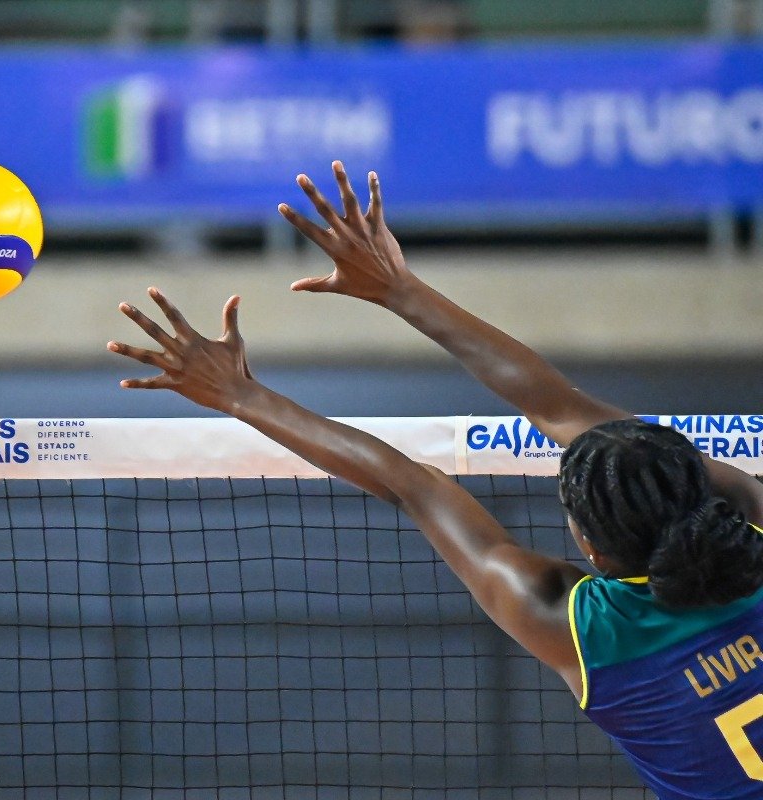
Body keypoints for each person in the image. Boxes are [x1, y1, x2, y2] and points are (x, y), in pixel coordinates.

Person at [107, 163, 763, 800]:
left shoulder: (579, 628)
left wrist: (240, 394)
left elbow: (417, 483)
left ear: (589, 548)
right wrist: (396, 292)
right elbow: (558, 412)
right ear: (703, 486)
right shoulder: (751, 517)